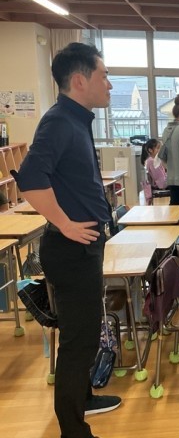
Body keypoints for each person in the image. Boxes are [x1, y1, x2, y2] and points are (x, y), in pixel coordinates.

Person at [15, 42, 121, 438]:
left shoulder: (76, 119)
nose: (109, 84)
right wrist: (64, 223)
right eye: (104, 76)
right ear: (79, 80)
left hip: (82, 247)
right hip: (71, 248)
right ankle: (74, 430)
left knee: (86, 335)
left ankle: (84, 398)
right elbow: (30, 179)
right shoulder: (60, 121)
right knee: (78, 342)